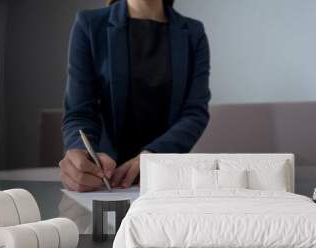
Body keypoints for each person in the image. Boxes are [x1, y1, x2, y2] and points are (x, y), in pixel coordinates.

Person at [59, 0, 211, 192]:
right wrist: (82, 153)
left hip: (164, 181)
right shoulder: (89, 25)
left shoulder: (193, 32)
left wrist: (153, 156)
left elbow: (195, 113)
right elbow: (79, 112)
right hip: (104, 181)